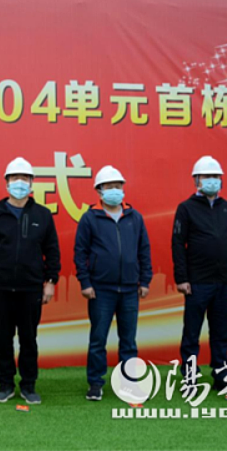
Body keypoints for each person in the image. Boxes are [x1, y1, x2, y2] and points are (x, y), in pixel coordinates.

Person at [0, 157, 60, 404]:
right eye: (15, 178)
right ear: (6, 183)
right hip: (1, 287)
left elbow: (52, 250)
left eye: (24, 178)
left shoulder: (42, 215)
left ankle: (29, 385)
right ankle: (5, 384)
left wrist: (51, 280)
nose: (19, 183)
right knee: (3, 339)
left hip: (31, 287)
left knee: (29, 339)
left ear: (31, 183)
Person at [74, 165, 152, 401]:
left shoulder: (134, 217)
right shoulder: (90, 218)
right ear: (99, 191)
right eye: (109, 187)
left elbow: (144, 250)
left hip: (129, 289)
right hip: (100, 290)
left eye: (118, 186)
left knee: (128, 341)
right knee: (98, 340)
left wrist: (145, 280)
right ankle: (95, 383)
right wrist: (85, 282)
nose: (115, 190)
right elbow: (80, 252)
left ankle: (128, 384)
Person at [172, 155, 227, 398]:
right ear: (196, 180)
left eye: (216, 176)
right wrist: (182, 278)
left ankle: (222, 377)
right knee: (192, 334)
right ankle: (190, 378)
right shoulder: (186, 208)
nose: (212, 180)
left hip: (223, 281)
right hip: (196, 282)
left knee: (221, 333)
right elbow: (178, 244)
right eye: (207, 177)